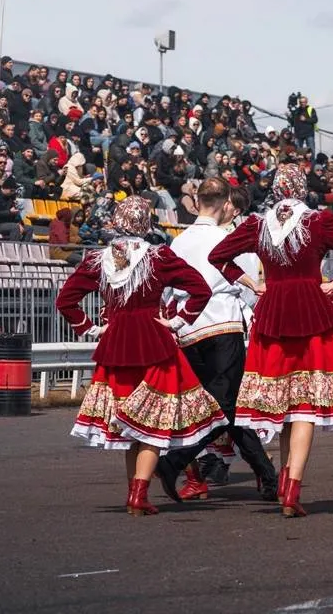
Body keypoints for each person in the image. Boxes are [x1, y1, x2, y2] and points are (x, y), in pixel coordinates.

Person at [208, 163, 333, 518]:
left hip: (272, 310)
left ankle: (286, 481)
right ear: (302, 189)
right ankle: (292, 488)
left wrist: (251, 283)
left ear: (274, 189)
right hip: (309, 309)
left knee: (285, 406)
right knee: (304, 407)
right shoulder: (318, 222)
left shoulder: (257, 225)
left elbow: (217, 257)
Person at [55, 196, 226, 516]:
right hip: (154, 344)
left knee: (130, 426)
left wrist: (92, 329)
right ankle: (139, 493)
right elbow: (200, 288)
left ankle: (134, 492)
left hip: (116, 345)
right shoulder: (158, 256)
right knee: (153, 425)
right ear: (146, 224)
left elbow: (66, 301)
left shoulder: (97, 260)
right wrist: (177, 320)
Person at [153, 177, 279, 503]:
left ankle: (267, 476)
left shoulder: (177, 243)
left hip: (187, 330)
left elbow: (166, 289)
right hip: (223, 327)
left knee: (223, 406)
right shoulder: (229, 239)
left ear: (196, 201)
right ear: (225, 204)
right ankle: (174, 462)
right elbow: (248, 291)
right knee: (226, 407)